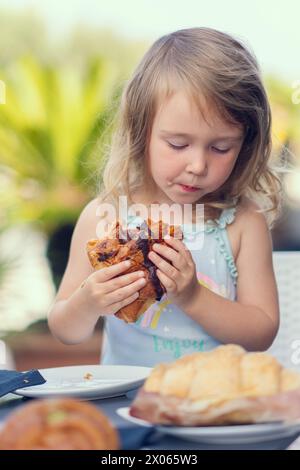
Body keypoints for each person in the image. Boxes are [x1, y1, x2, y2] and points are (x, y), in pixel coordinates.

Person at [48, 27, 283, 367]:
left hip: (211, 404)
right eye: (177, 144)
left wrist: (193, 296)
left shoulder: (243, 223)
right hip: (128, 407)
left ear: (245, 145)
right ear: (141, 132)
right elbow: (64, 330)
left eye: (220, 147)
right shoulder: (105, 216)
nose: (198, 165)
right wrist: (88, 303)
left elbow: (261, 332)